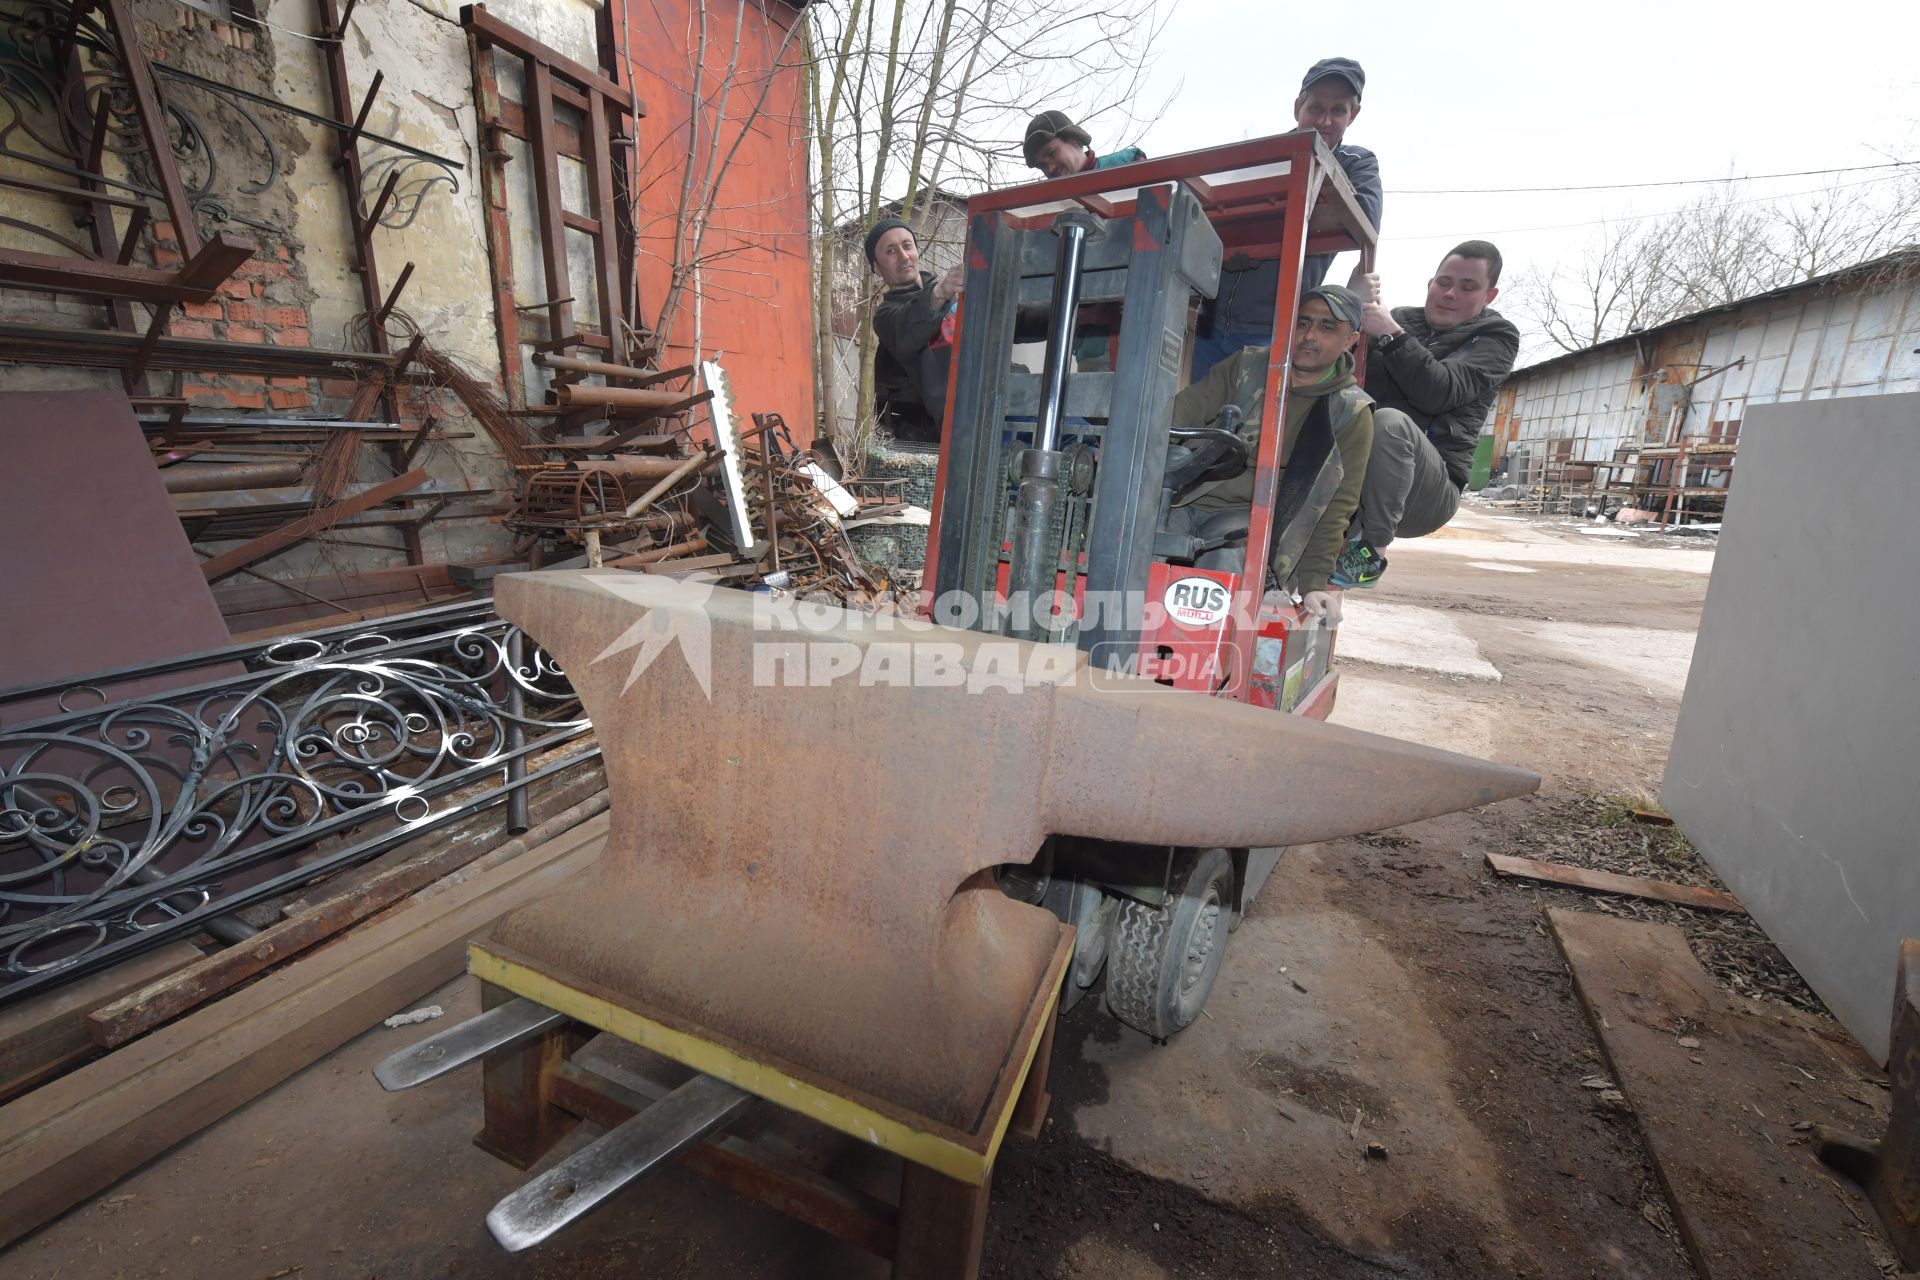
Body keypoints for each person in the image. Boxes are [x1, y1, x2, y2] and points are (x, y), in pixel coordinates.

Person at [1163, 284, 1374, 622]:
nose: (1309, 336)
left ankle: (1202, 664)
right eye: (1302, 323)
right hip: (1186, 496)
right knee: (1143, 542)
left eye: (1327, 327)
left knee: (1223, 564)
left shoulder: (1350, 413)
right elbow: (1180, 412)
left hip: (1248, 515)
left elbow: (1336, 505)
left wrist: (1314, 583)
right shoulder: (1247, 366)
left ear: (1351, 340)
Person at [1332, 240, 1520, 588]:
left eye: (1468, 287)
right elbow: (1329, 361)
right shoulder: (1400, 319)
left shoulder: (1496, 337)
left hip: (1427, 491)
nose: (1450, 293)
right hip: (1356, 478)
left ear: (1488, 296)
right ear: (1430, 284)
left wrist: (1389, 334)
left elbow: (1438, 392)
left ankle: (1370, 553)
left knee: (1389, 422)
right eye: (1444, 282)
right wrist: (1348, 305)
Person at [1192, 57, 1383, 380]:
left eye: (1338, 110)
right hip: (1209, 323)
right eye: (1316, 107)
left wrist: (1258, 236)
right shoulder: (1264, 155)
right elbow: (1214, 216)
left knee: (1250, 424)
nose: (1324, 120)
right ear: (1298, 108)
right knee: (1194, 421)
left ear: (1354, 115)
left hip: (1274, 327)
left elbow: (1360, 222)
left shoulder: (1357, 163)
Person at [866, 216, 962, 444]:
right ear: (877, 269)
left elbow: (1018, 319)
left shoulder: (955, 297)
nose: (903, 256)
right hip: (944, 437)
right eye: (890, 251)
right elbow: (907, 331)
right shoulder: (887, 316)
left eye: (907, 246)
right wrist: (940, 293)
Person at [1022, 109, 1146, 180]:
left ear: (1074, 138)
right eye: (1042, 165)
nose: (1050, 169)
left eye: (1051, 153)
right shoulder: (1047, 204)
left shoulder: (1127, 165)